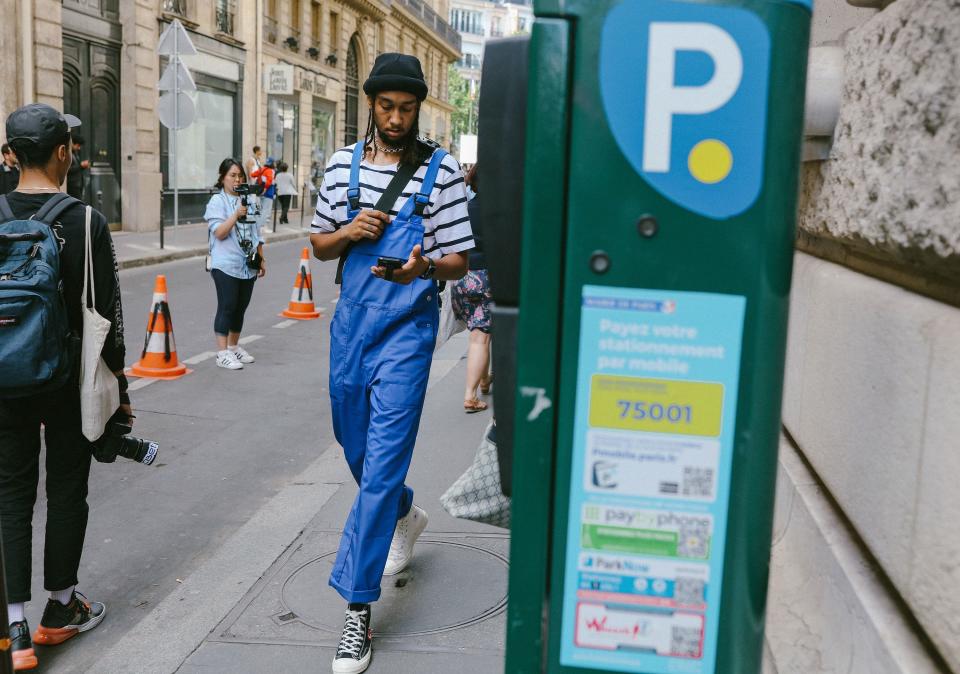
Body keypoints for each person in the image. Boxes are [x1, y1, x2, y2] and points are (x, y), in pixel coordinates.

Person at [310, 53, 473, 673]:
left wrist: (423, 265)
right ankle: (407, 514)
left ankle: (356, 611)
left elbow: (459, 257)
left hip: (408, 330)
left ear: (418, 109)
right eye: (388, 107)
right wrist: (349, 232)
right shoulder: (339, 167)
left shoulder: (445, 171)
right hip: (351, 327)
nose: (398, 118)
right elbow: (319, 247)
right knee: (354, 446)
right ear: (371, 104)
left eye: (408, 108)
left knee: (379, 466)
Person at [0, 104, 128, 670]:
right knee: (67, 488)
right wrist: (119, 387)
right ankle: (60, 609)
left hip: (4, 380)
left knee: (10, 494)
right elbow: (109, 314)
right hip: (68, 378)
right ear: (62, 153)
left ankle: (15, 628)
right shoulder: (84, 220)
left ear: (10, 154)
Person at [204, 158, 266, 370]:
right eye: (233, 175)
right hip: (225, 264)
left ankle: (233, 347)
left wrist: (261, 258)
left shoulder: (251, 199)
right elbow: (219, 233)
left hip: (247, 264)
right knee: (227, 306)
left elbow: (257, 232)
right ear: (222, 178)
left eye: (240, 175)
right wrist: (235, 214)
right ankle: (222, 353)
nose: (237, 179)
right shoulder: (217, 202)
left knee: (240, 308)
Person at [451, 163, 492, 413]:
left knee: (479, 333)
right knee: (481, 337)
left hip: (461, 277)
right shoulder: (501, 213)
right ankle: (470, 395)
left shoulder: (465, 208)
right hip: (487, 278)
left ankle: (485, 379)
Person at [251, 157, 277, 230]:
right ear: (272, 163)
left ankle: (258, 226)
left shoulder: (262, 169)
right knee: (266, 211)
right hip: (268, 192)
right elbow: (269, 181)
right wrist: (265, 188)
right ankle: (262, 227)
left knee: (262, 210)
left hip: (260, 192)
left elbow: (252, 174)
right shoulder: (270, 171)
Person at [65, 135, 89, 201]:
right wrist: (81, 166)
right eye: (78, 145)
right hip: (72, 186)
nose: (79, 148)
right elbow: (67, 170)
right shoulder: (67, 153)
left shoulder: (74, 153)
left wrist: (82, 167)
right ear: (72, 143)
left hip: (77, 185)